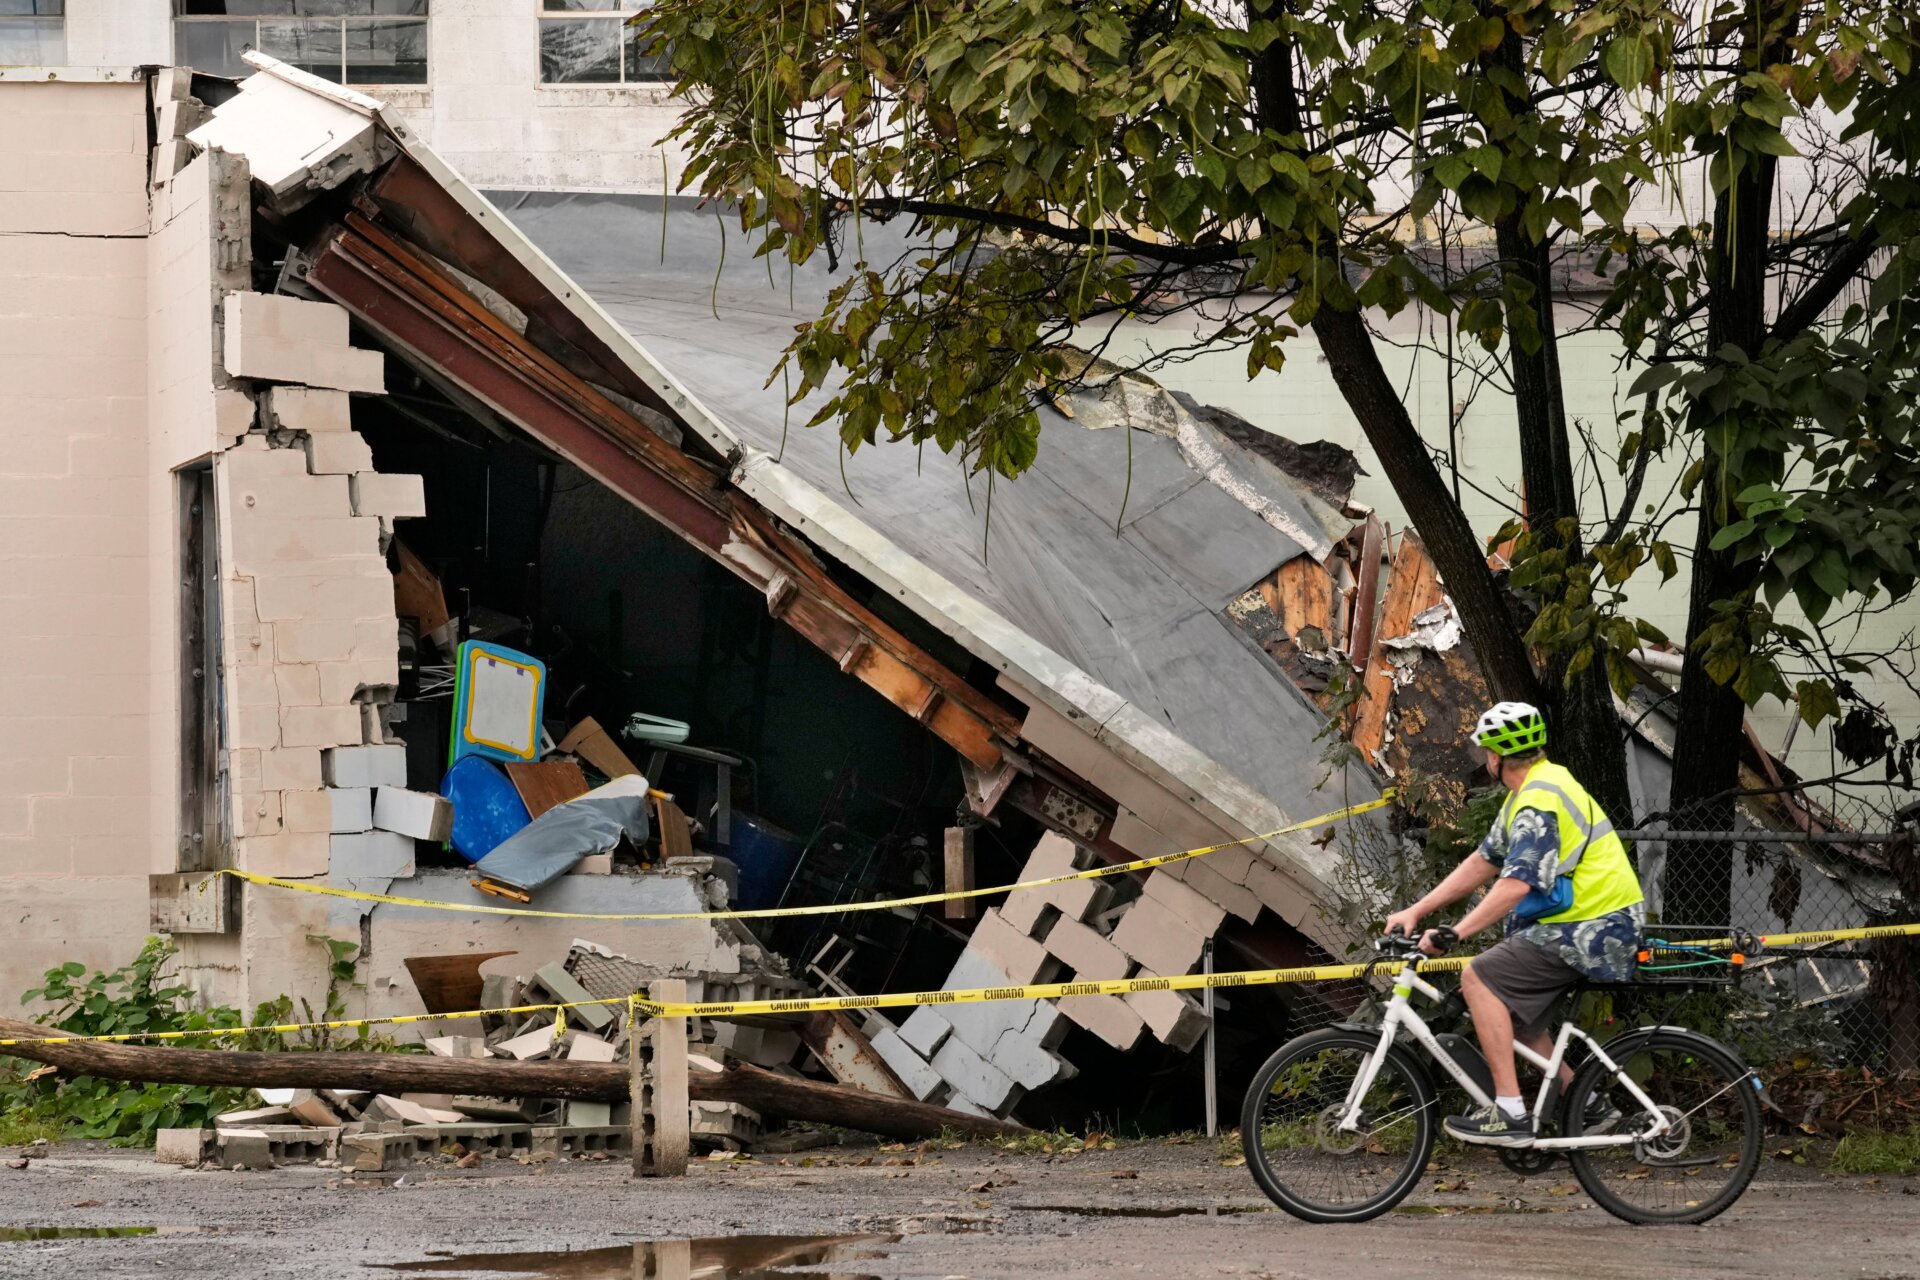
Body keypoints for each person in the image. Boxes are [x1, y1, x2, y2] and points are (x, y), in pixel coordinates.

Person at [1383, 701, 1645, 1147]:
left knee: (1479, 976)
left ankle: (1509, 1113)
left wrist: (1455, 933)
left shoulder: (1538, 801)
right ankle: (1584, 1100)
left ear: (1495, 756)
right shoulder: (1532, 792)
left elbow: (1516, 885)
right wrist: (1417, 911)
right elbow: (1483, 861)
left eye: (1484, 750)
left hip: (1596, 929)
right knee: (1512, 1013)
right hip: (1587, 923)